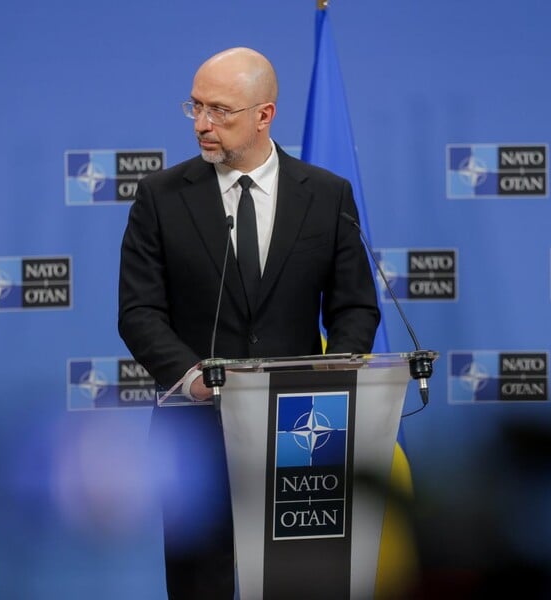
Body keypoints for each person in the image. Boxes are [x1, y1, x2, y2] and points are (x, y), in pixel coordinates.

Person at [118, 47, 380, 599]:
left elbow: (355, 307)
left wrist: (331, 380)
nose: (201, 124)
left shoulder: (327, 194)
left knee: (300, 586)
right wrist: (194, 378)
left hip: (303, 433)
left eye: (219, 110)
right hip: (195, 436)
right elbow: (139, 312)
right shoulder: (160, 197)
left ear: (265, 115)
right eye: (195, 106)